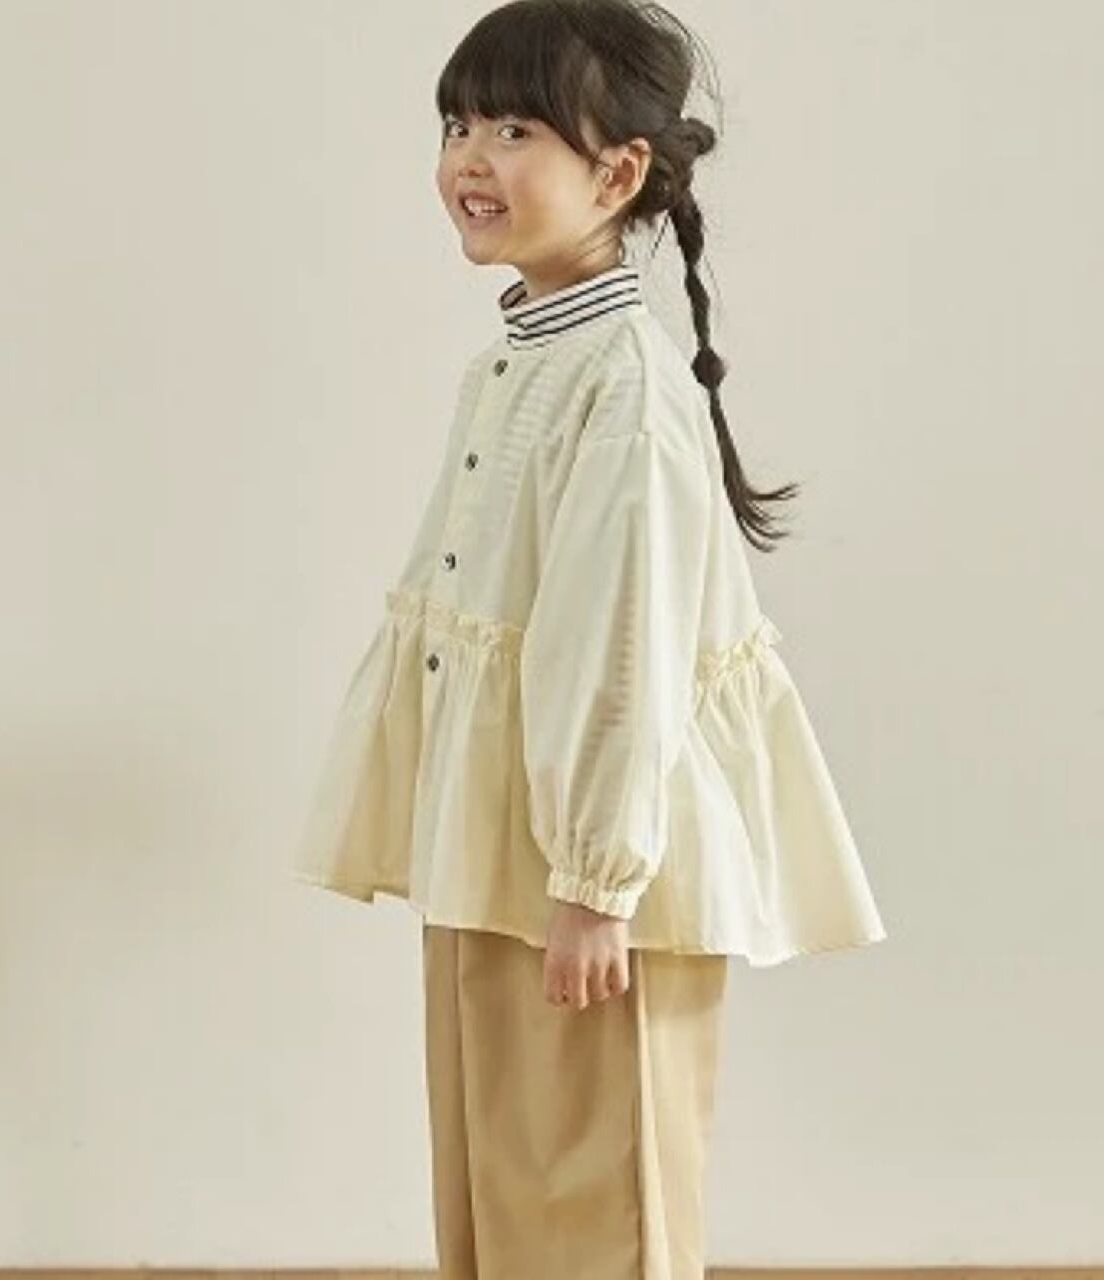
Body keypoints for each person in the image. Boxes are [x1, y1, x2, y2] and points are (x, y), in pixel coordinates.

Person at [293, 1, 887, 1275]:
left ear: (616, 173)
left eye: (514, 129)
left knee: (595, 1195)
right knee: (501, 1179)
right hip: (501, 849)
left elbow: (620, 658)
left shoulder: (621, 388)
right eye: (457, 124)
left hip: (582, 877)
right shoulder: (517, 365)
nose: (469, 158)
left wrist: (592, 884)